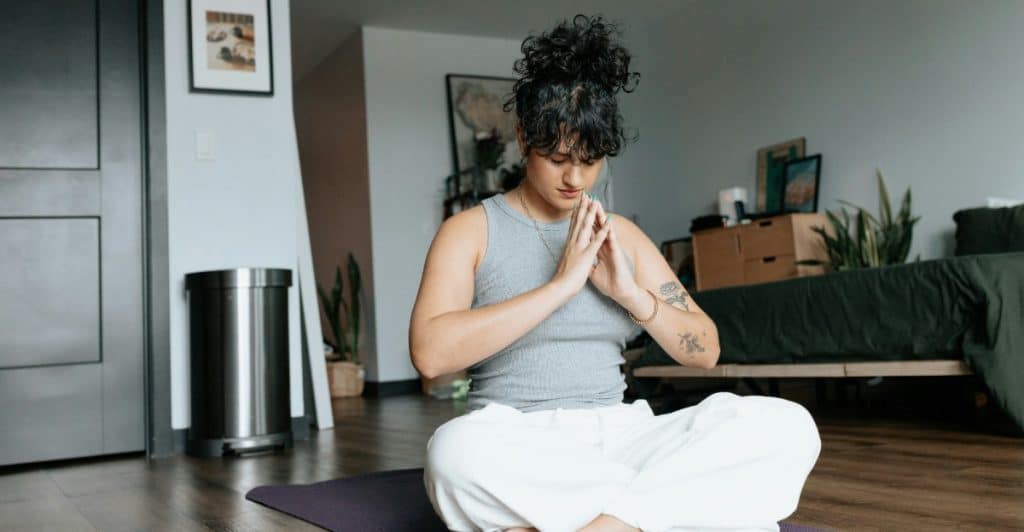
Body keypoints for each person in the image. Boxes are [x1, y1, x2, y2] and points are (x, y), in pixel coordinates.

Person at [408, 15, 820, 532]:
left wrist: (630, 294)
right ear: (521, 139)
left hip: (623, 436)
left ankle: (603, 525)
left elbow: (707, 350)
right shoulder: (470, 230)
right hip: (519, 440)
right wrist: (561, 286)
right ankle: (658, 512)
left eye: (591, 159)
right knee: (453, 454)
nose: (575, 178)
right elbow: (430, 356)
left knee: (787, 425)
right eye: (557, 157)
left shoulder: (622, 234)